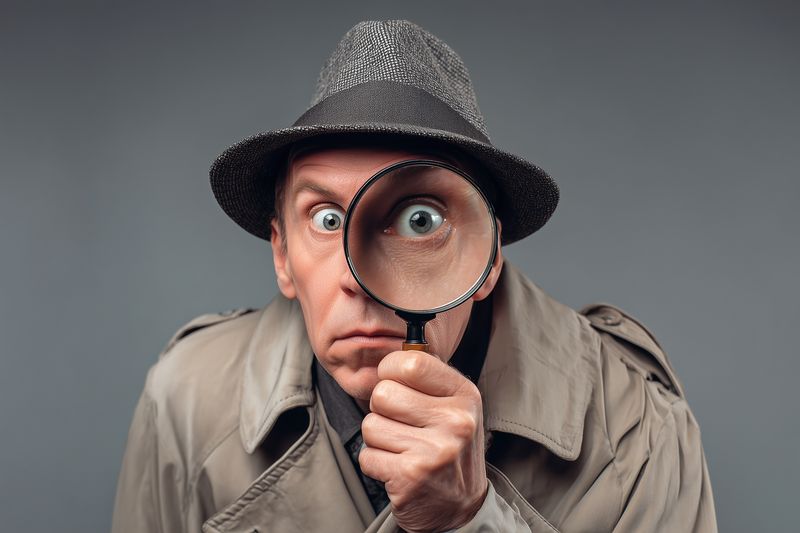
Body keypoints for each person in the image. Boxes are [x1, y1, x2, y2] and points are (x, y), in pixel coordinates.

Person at [111, 19, 718, 532]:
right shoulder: (186, 402)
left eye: (418, 219)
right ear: (282, 255)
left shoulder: (637, 431)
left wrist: (467, 519)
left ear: (489, 254)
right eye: (326, 219)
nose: (356, 279)